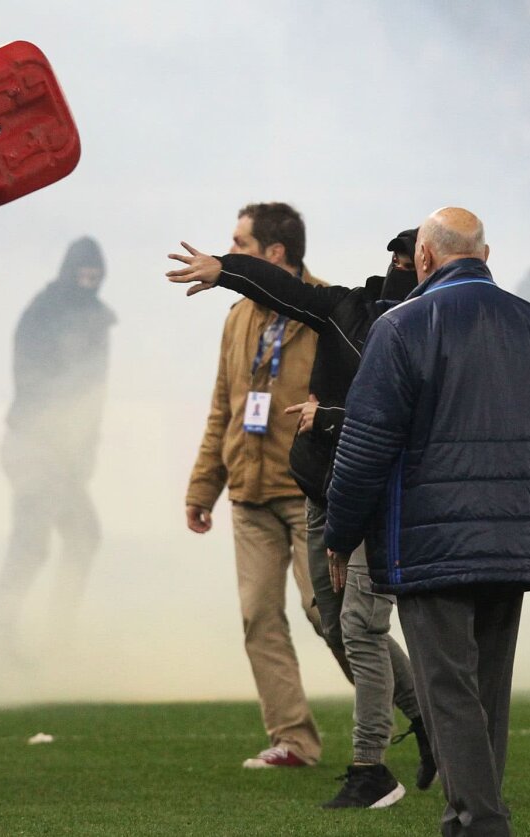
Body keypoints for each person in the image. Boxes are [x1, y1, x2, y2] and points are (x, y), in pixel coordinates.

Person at [324, 207, 530, 836]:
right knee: (485, 699)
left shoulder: (402, 326)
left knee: (448, 695)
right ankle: (467, 819)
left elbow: (365, 447)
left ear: (423, 257)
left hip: (432, 544)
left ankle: (480, 824)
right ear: (486, 254)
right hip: (515, 541)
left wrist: (339, 534)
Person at [167, 229, 435, 807]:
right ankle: (430, 720)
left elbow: (416, 419)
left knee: (361, 629)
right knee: (334, 623)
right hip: (321, 490)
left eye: (407, 260)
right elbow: (280, 289)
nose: (396, 266)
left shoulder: (439, 331)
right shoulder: (348, 309)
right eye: (391, 255)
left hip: (385, 498)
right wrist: (225, 269)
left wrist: (332, 416)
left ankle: (371, 769)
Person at [184, 202, 329, 768]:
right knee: (259, 618)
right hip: (249, 492)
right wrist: (204, 487)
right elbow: (225, 405)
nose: (228, 252)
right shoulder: (238, 315)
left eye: (239, 243)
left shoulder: (327, 308)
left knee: (330, 616)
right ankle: (293, 740)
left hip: (307, 491)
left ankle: (411, 711)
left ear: (274, 253)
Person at [0, 236, 115, 636]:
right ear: (69, 272)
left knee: (81, 537)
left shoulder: (96, 319)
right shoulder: (43, 313)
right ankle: (3, 635)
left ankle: (54, 633)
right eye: (82, 274)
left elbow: (94, 392)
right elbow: (31, 380)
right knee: (34, 542)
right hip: (34, 446)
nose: (88, 281)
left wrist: (84, 444)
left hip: (62, 451)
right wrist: (60, 428)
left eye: (95, 276)